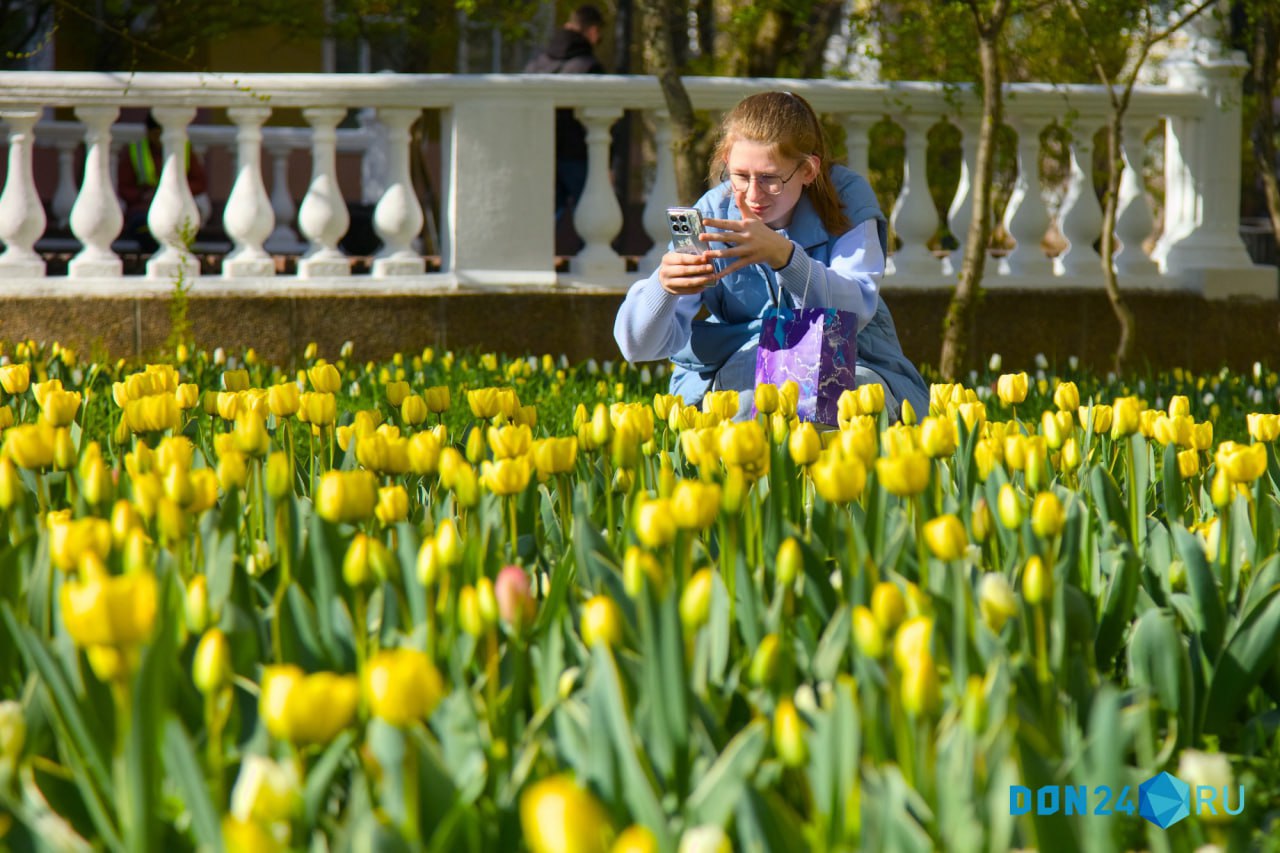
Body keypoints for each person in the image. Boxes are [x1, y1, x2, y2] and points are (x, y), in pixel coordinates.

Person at [614, 91, 929, 423]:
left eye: (769, 179)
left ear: (808, 170)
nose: (752, 194)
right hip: (741, 363)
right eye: (739, 176)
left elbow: (855, 311)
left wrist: (785, 257)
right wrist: (663, 288)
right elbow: (637, 348)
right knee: (746, 406)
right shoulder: (711, 213)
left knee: (851, 401)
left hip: (845, 359)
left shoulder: (849, 199)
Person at [524, 4, 605, 222]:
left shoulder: (537, 63)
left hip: (540, 148)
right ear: (593, 31)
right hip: (578, 150)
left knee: (542, 220)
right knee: (594, 217)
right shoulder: (589, 66)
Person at [117, 111, 211, 252]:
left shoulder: (184, 149)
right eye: (156, 134)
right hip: (144, 208)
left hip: (179, 204)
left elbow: (200, 182)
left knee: (188, 222)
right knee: (141, 225)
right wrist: (143, 195)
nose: (159, 138)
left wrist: (177, 192)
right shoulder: (136, 150)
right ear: (148, 132)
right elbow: (124, 187)